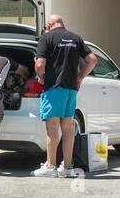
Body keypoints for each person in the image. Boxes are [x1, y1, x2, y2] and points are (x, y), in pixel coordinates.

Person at [33, 13, 97, 178]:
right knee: (68, 128)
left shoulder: (47, 38)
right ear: (62, 23)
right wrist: (80, 77)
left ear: (48, 25)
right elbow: (92, 60)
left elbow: (40, 63)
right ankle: (67, 168)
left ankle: (50, 166)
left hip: (54, 87)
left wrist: (41, 77)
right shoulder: (76, 38)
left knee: (52, 127)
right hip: (71, 88)